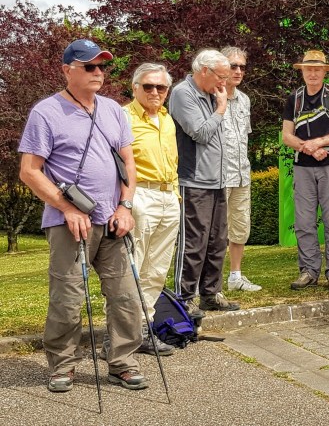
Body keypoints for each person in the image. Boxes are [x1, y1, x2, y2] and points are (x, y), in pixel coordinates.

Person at [18, 39, 148, 391]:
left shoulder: (113, 110)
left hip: (113, 220)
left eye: (102, 66)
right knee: (68, 297)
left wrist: (125, 206)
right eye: (89, 66)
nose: (98, 72)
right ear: (67, 70)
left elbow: (128, 163)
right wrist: (67, 207)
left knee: (126, 296)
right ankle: (62, 365)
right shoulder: (46, 112)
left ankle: (122, 362)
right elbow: (29, 171)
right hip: (69, 223)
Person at [170, 49, 240, 313]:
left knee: (217, 241)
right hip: (194, 180)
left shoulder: (213, 94)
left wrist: (218, 104)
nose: (224, 82)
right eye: (221, 76)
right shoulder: (183, 93)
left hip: (218, 179)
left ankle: (211, 294)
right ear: (204, 71)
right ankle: (184, 298)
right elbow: (200, 133)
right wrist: (221, 109)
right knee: (193, 242)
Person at [281, 50, 329, 293]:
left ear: (324, 71)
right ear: (302, 71)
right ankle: (309, 270)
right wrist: (308, 148)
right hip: (303, 165)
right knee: (303, 222)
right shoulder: (294, 98)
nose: (312, 73)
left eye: (317, 69)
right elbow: (286, 135)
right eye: (308, 69)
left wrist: (319, 143)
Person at [122, 63, 179, 356]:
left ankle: (144, 329)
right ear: (135, 88)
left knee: (156, 270)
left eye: (161, 87)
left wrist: (176, 194)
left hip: (168, 196)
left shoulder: (167, 119)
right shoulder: (123, 117)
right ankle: (119, 335)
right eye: (148, 86)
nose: (155, 92)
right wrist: (125, 202)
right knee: (131, 267)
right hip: (140, 194)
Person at [220, 46, 261, 292]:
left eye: (242, 67)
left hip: (241, 174)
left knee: (240, 227)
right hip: (218, 175)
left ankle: (235, 276)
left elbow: (243, 138)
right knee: (215, 230)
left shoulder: (245, 99)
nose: (238, 71)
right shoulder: (210, 97)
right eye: (233, 66)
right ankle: (211, 280)